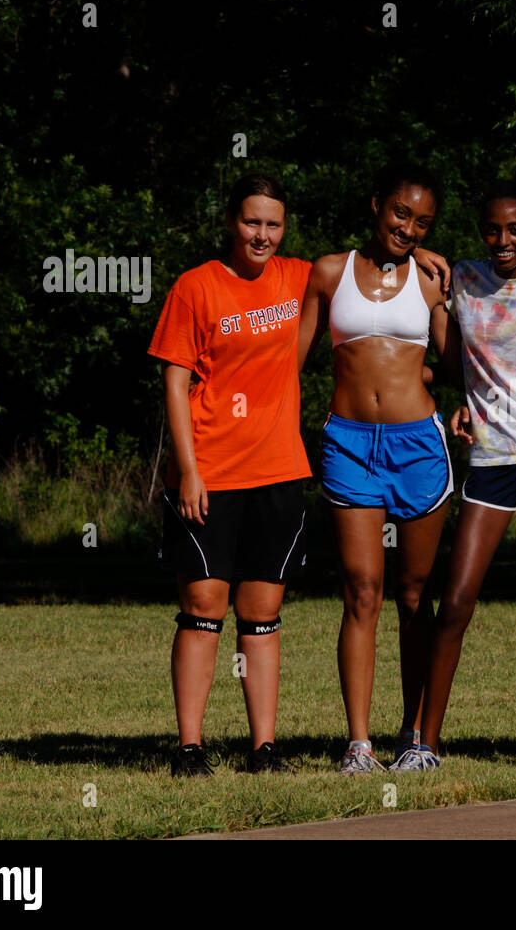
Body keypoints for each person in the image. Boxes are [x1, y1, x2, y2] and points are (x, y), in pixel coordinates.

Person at [392, 182, 516, 774]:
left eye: (515, 230)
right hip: (493, 458)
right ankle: (424, 744)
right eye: (492, 229)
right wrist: (462, 397)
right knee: (454, 599)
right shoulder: (463, 281)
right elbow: (455, 360)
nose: (502, 241)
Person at [149, 173, 311, 776]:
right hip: (211, 472)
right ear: (231, 222)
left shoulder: (298, 277)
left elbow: (364, 265)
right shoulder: (195, 287)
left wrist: (419, 252)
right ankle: (189, 748)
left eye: (272, 223)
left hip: (278, 471)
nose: (261, 234)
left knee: (263, 612)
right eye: (251, 221)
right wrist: (188, 471)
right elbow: (173, 382)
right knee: (202, 605)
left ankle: (263, 748)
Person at [297, 162, 453, 774]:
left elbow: (460, 359)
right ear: (374, 205)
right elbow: (292, 360)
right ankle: (358, 743)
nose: (409, 228)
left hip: (419, 445)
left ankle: (415, 735)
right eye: (400, 213)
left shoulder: (434, 279)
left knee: (415, 596)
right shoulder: (328, 272)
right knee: (362, 590)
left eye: (422, 222)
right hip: (350, 445)